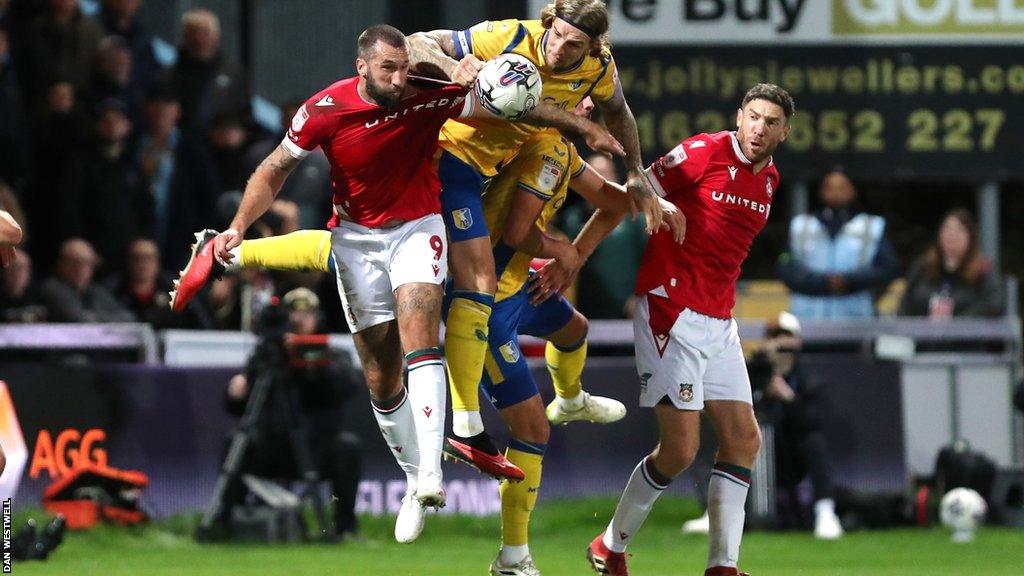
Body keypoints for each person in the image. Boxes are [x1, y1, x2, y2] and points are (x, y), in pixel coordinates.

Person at [403, 0, 659, 474]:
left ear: (593, 50)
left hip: (521, 281)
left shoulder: (561, 137)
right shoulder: (510, 42)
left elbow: (616, 186)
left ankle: (571, 398)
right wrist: (451, 65)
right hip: (455, 166)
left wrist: (635, 181)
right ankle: (469, 445)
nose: (560, 50)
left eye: (575, 45)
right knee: (531, 427)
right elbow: (415, 42)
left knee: (575, 329)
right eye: (557, 36)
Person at [586, 83, 794, 576]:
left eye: (771, 122)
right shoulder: (704, 151)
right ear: (739, 116)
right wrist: (577, 253)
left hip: (718, 321)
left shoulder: (770, 181)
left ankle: (723, 567)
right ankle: (609, 546)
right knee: (680, 451)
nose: (759, 129)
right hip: (670, 310)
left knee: (744, 439)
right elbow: (631, 195)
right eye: (753, 117)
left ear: (784, 132)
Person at [221, 287, 363, 539]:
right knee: (235, 442)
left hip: (317, 446)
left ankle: (345, 528)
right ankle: (230, 521)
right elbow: (241, 408)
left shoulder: (332, 355)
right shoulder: (267, 358)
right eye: (292, 314)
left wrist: (312, 365)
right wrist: (235, 393)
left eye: (306, 314)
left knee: (347, 447)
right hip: (275, 447)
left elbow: (346, 387)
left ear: (316, 317)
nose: (298, 320)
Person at [750, 312, 843, 539]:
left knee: (814, 440)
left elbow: (814, 422)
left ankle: (825, 511)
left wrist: (789, 398)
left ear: (797, 342)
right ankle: (716, 512)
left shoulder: (808, 380)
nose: (780, 342)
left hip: (792, 456)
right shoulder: (750, 372)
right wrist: (762, 373)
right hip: (756, 453)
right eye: (774, 335)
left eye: (786, 336)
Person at [779, 170, 900, 320]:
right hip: (807, 322)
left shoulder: (871, 226)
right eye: (830, 187)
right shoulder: (801, 225)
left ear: (852, 190)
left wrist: (849, 282)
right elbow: (785, 266)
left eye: (842, 187)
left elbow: (888, 268)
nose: (836, 192)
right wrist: (824, 283)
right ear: (822, 191)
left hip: (855, 323)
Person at [899, 208, 1003, 318]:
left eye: (959, 230)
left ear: (970, 237)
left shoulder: (983, 269)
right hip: (920, 333)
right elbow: (905, 303)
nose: (951, 235)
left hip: (968, 334)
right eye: (947, 229)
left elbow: (993, 305)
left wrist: (957, 324)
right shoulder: (923, 265)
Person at [39, 237, 135, 323]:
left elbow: (128, 317)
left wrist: (92, 316)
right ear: (61, 264)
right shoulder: (52, 288)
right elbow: (77, 319)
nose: (81, 269)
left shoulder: (94, 289)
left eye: (87, 263)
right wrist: (99, 317)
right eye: (74, 262)